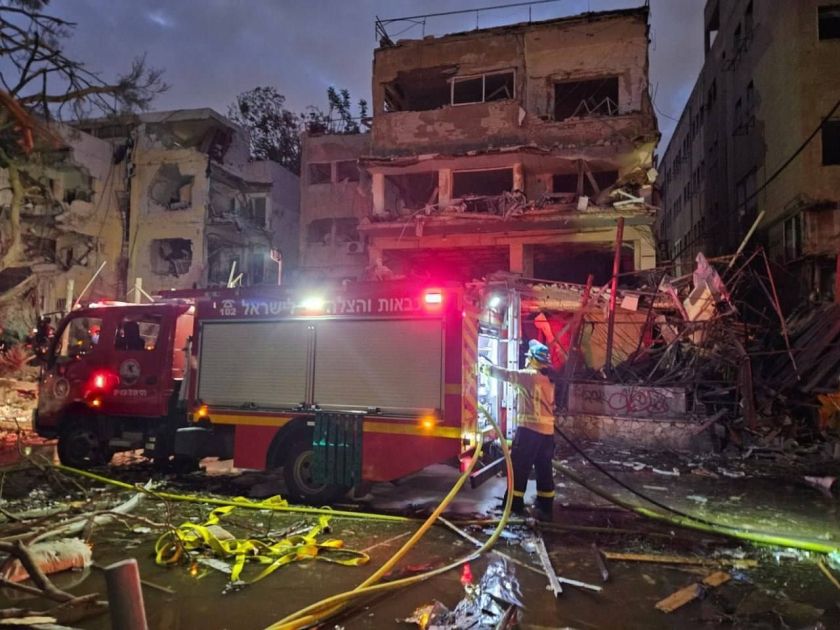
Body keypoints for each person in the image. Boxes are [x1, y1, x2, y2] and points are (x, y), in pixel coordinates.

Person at [480, 339, 556, 521]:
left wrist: (482, 367)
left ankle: (514, 504)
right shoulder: (548, 379)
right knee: (544, 469)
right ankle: (545, 505)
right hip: (547, 434)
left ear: (534, 360)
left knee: (520, 468)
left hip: (530, 432)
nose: (526, 360)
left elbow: (506, 375)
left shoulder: (529, 376)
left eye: (529, 357)